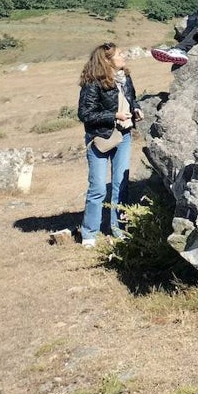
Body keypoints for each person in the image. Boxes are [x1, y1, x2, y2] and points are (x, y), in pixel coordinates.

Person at [78, 42, 141, 248]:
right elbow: (85, 114)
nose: (124, 56)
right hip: (101, 137)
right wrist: (114, 115)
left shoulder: (125, 78)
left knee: (120, 185)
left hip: (123, 136)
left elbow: (131, 99)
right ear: (107, 60)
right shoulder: (93, 82)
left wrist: (136, 109)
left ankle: (119, 229)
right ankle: (89, 234)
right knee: (97, 188)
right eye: (119, 54)